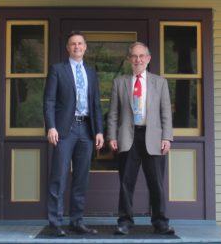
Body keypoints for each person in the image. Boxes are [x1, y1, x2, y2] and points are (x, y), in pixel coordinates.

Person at [107, 41, 175, 235]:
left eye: (141, 56)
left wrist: (167, 137)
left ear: (148, 59)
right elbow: (113, 113)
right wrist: (112, 135)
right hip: (128, 137)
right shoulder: (119, 82)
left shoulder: (159, 82)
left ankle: (160, 222)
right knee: (126, 183)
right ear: (130, 59)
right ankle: (125, 221)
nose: (138, 59)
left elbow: (166, 114)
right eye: (134, 56)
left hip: (153, 138)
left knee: (156, 184)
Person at [43, 31, 105, 237]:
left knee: (81, 179)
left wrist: (99, 131)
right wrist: (51, 126)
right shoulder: (57, 70)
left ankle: (77, 221)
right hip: (64, 130)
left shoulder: (91, 72)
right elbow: (49, 101)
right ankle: (55, 223)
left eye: (80, 43)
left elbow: (95, 103)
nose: (77, 47)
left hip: (86, 130)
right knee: (59, 177)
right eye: (73, 44)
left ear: (85, 47)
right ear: (67, 48)